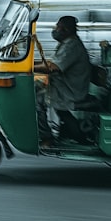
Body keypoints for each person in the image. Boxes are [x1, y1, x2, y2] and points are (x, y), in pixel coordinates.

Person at [35, 15, 92, 144]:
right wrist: (26, 63)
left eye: (57, 27)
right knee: (34, 87)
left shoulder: (71, 46)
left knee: (36, 101)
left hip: (70, 92)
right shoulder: (67, 43)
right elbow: (51, 63)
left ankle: (46, 137)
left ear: (65, 30)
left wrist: (29, 67)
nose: (55, 29)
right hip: (63, 87)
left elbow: (53, 67)